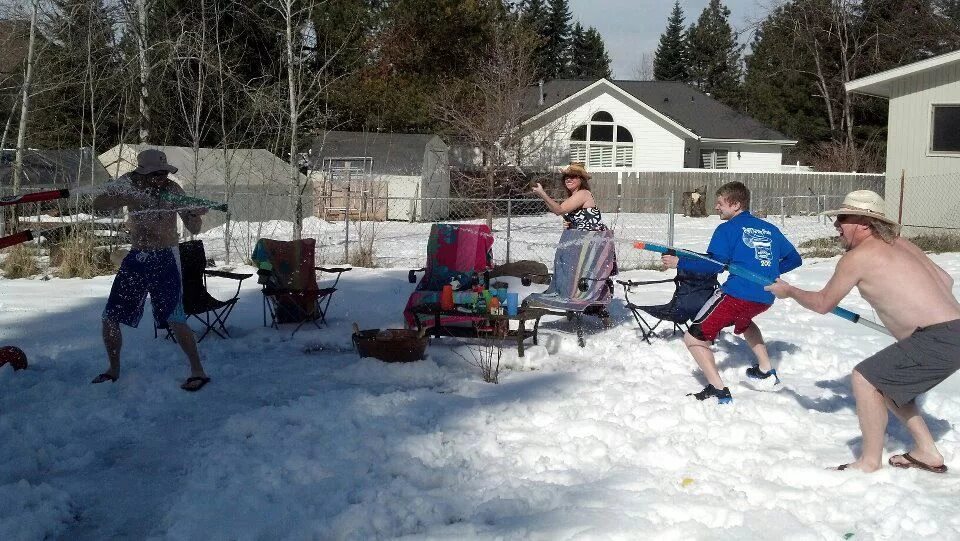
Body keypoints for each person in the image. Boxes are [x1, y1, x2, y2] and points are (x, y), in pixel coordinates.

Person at [766, 190, 960, 473]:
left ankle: (869, 462)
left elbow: (823, 303)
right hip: (951, 330)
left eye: (842, 218)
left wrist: (790, 291)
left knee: (865, 378)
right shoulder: (901, 243)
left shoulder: (858, 257)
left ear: (864, 222)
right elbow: (945, 278)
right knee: (889, 384)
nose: (836, 225)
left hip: (938, 336)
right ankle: (927, 451)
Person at [662, 181, 802, 403]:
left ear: (736, 204)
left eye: (720, 203)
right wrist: (769, 274)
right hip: (765, 297)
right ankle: (766, 370)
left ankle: (718, 390)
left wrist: (680, 262)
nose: (716, 207)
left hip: (737, 295)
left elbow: (714, 266)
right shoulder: (769, 229)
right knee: (745, 321)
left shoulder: (727, 229)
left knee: (693, 338)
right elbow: (795, 259)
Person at [91, 149, 211, 392]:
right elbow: (98, 205)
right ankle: (113, 369)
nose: (160, 178)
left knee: (175, 317)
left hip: (166, 256)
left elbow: (194, 228)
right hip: (137, 255)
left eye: (164, 173)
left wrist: (195, 214)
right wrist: (127, 196)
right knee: (110, 316)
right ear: (142, 171)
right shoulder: (128, 182)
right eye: (155, 174)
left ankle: (197, 370)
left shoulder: (173, 190)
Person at [530, 163, 607, 231]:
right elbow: (555, 210)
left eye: (573, 176)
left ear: (581, 179)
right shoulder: (574, 196)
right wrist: (571, 224)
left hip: (594, 241)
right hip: (583, 239)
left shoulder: (583, 193)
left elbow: (559, 210)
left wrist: (542, 193)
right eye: (566, 177)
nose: (568, 179)